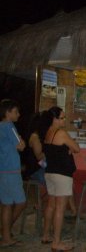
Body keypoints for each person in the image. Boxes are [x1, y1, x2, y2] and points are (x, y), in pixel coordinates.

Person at [41, 106, 80, 251]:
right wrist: (69, 147)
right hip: (62, 174)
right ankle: (56, 242)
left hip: (49, 173)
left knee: (51, 205)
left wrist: (67, 148)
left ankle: (46, 235)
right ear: (54, 119)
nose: (64, 120)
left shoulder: (48, 132)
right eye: (62, 117)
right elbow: (77, 148)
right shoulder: (62, 133)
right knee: (60, 208)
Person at [0, 99, 26, 247]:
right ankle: (5, 232)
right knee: (20, 202)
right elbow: (21, 146)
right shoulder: (9, 126)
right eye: (16, 111)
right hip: (11, 170)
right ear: (8, 112)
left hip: (3, 169)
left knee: (7, 204)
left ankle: (5, 235)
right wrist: (22, 141)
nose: (18, 114)